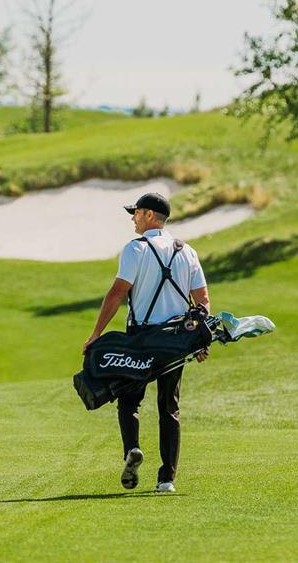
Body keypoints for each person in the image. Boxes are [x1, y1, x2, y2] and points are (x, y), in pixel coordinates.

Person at [82, 192, 210, 494]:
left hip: (141, 339)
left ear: (150, 215)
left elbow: (117, 293)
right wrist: (201, 340)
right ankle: (167, 479)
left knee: (128, 401)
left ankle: (132, 450)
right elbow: (202, 300)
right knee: (169, 406)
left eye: (137, 213)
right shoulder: (186, 251)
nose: (133, 218)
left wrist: (96, 334)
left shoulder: (135, 250)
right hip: (177, 341)